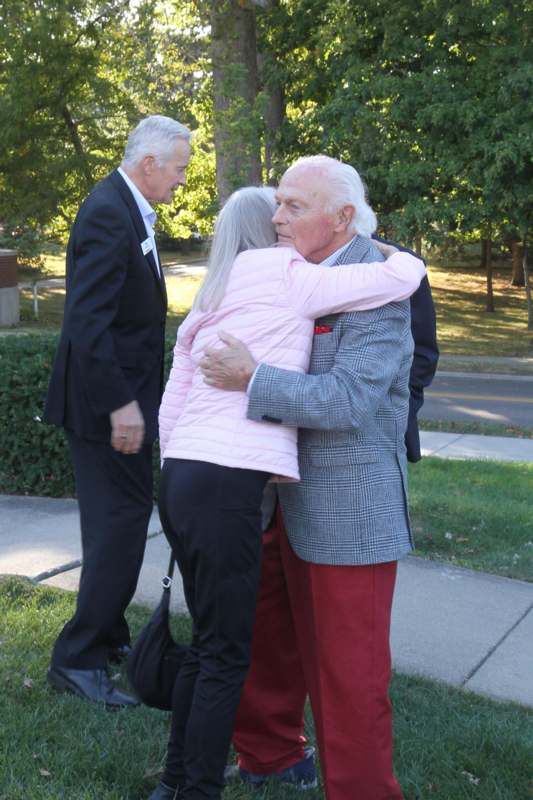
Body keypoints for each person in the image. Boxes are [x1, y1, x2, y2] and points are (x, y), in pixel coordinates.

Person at [149, 185, 425, 800]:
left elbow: (354, 399)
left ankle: (359, 790)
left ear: (342, 217)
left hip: (342, 507)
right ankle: (268, 755)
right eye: (279, 204)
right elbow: (184, 371)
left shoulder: (371, 281)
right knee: (261, 649)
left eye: (294, 206)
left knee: (347, 676)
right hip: (252, 493)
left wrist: (254, 379)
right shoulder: (270, 272)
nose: (277, 215)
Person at [43, 115, 192, 708]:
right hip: (106, 408)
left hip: (120, 401)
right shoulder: (109, 211)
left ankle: (107, 636)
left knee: (118, 523)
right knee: (120, 526)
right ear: (149, 163)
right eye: (179, 168)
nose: (183, 179)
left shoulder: (125, 207)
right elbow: (87, 323)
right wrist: (123, 407)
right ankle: (77, 657)